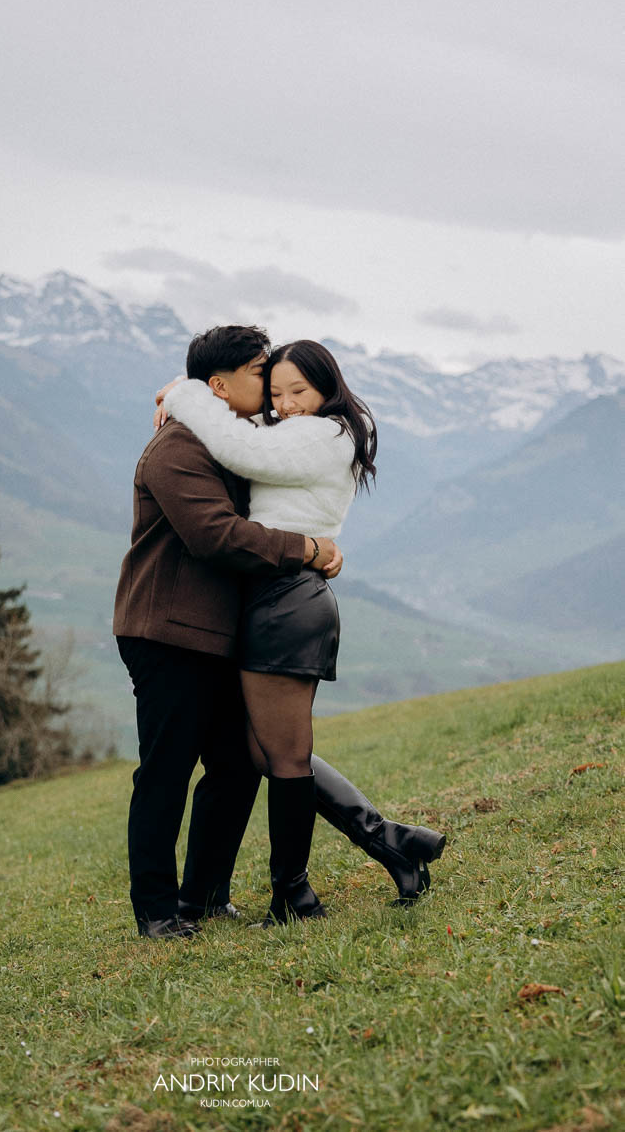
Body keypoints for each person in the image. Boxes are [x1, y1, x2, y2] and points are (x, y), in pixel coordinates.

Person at [161, 339, 446, 925]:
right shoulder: (300, 426)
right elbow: (244, 422)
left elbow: (243, 450)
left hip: (286, 599)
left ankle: (295, 896)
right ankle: (390, 841)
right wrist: (190, 386)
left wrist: (186, 393)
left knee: (284, 757)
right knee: (265, 751)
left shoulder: (328, 431)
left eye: (300, 392)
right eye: (277, 392)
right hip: (275, 596)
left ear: (326, 389)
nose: (286, 404)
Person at [113, 325, 342, 938]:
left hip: (213, 631)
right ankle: (158, 912)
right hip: (167, 631)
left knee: (236, 767)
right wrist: (307, 548)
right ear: (219, 386)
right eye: (258, 371)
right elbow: (216, 535)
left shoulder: (226, 439)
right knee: (165, 770)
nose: (268, 385)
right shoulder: (177, 449)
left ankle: (205, 896)